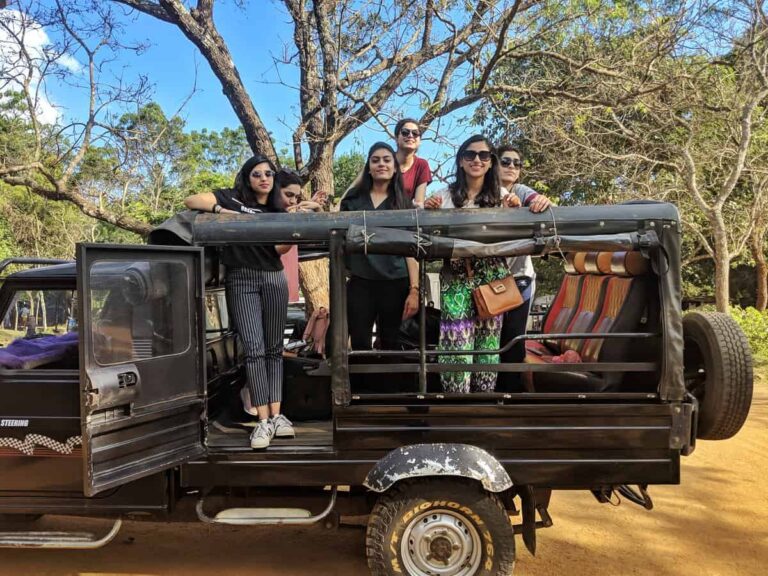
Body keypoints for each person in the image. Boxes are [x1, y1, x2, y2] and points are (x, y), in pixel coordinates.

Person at [183, 155, 293, 450]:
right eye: (257, 174)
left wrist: (294, 221)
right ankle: (262, 420)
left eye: (269, 174)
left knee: (274, 350)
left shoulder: (276, 207)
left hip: (273, 277)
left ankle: (277, 415)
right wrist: (222, 211)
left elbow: (279, 249)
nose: (264, 179)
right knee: (254, 350)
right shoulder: (232, 198)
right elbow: (191, 200)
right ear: (247, 177)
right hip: (241, 278)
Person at [423, 135, 522, 393]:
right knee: (455, 346)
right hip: (456, 274)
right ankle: (456, 412)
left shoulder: (503, 196)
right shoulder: (443, 196)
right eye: (470, 154)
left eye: (484, 155)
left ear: (490, 163)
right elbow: (429, 234)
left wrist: (517, 208)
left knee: (488, 347)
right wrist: (428, 211)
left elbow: (515, 235)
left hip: (491, 274)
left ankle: (481, 410)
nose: (476, 160)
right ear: (460, 161)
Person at [340, 142, 420, 350]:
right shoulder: (353, 201)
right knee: (359, 342)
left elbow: (411, 252)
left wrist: (414, 290)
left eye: (387, 160)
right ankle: (363, 384)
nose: (381, 164)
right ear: (367, 167)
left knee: (391, 343)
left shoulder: (404, 204)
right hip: (361, 282)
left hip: (395, 283)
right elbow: (335, 222)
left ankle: (389, 384)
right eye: (375, 161)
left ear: (395, 167)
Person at [496, 145, 552, 390]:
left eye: (516, 164)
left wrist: (540, 201)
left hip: (518, 277)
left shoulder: (520, 190)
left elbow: (536, 200)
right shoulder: (480, 193)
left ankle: (509, 398)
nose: (511, 167)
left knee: (513, 339)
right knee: (489, 340)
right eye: (505, 161)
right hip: (485, 278)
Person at [393, 118, 432, 206]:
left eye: (415, 133)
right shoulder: (384, 160)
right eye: (405, 132)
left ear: (420, 141)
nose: (410, 136)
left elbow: (419, 203)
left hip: (404, 216)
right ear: (396, 138)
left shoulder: (422, 165)